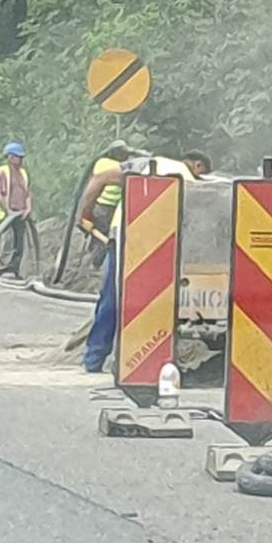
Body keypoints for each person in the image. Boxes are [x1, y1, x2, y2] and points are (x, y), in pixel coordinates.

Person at [78, 151, 197, 375]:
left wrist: (86, 214)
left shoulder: (144, 165)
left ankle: (94, 358)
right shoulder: (189, 179)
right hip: (167, 240)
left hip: (128, 235)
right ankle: (146, 361)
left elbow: (99, 178)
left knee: (113, 297)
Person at [83, 140, 134, 273]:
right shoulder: (112, 166)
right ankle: (93, 266)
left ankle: (93, 264)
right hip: (105, 207)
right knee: (103, 237)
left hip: (107, 207)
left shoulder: (103, 163)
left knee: (101, 237)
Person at [0, 142, 32, 279]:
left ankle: (14, 270)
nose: (21, 160)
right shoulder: (3, 171)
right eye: (18, 157)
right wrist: (8, 210)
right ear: (10, 157)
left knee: (19, 243)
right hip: (6, 215)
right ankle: (3, 269)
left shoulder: (23, 174)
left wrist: (28, 208)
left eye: (21, 157)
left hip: (20, 214)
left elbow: (27, 193)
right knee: (8, 241)